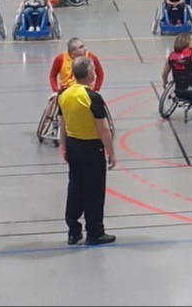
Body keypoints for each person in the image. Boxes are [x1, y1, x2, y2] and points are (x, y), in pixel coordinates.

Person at [57, 57, 116, 246]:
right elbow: (103, 129)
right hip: (92, 149)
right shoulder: (93, 97)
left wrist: (64, 147)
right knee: (94, 191)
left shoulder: (63, 95)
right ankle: (95, 232)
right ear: (90, 73)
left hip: (73, 147)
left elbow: (62, 124)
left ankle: (73, 231)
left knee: (75, 188)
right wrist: (111, 153)